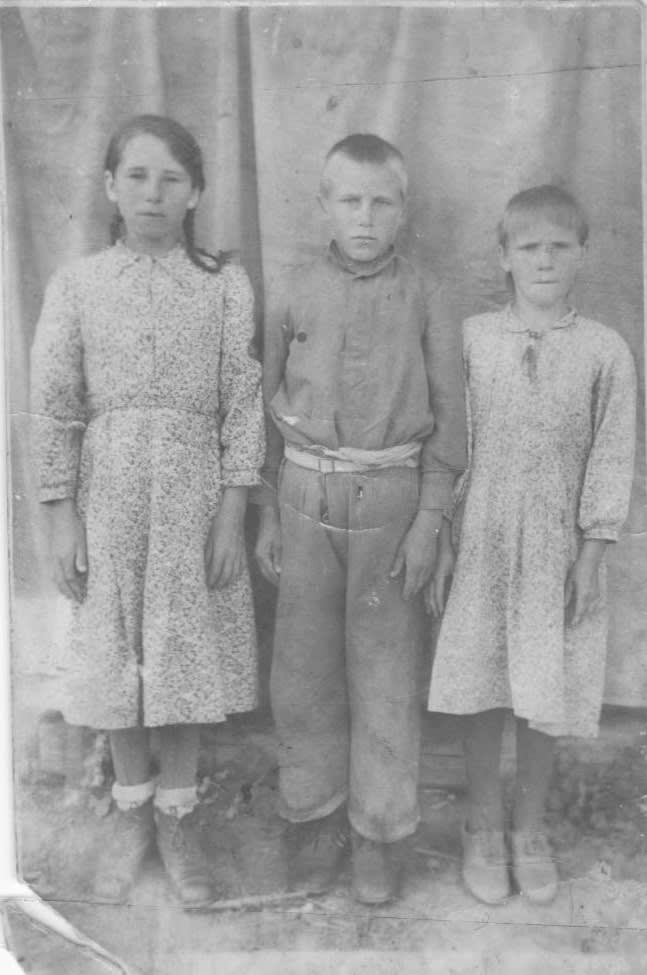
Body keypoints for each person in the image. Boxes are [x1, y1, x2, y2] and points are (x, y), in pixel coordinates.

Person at [30, 114, 265, 909]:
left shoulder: (223, 284)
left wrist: (231, 514)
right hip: (109, 495)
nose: (153, 194)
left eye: (171, 179)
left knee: (183, 653)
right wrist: (62, 517)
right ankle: (130, 810)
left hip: (195, 496)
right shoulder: (78, 286)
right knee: (118, 649)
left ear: (195, 192)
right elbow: (55, 406)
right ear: (109, 186)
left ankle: (179, 815)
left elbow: (241, 402)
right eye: (136, 176)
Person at [255, 133, 466, 904]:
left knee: (384, 673)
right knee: (303, 674)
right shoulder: (293, 287)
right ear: (324, 205)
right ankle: (314, 820)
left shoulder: (427, 292)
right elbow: (262, 405)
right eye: (350, 200)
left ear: (403, 208)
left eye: (381, 201)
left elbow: (449, 418)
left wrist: (430, 519)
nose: (365, 216)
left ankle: (379, 833)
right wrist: (268, 512)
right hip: (303, 496)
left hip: (391, 503)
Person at [427, 185, 636, 906]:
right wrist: (443, 535)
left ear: (582, 254)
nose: (543, 260)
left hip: (557, 547)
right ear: (503, 257)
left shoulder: (604, 349)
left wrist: (592, 550)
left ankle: (529, 827)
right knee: (483, 682)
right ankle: (482, 825)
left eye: (559, 246)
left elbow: (612, 453)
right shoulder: (471, 340)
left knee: (544, 688)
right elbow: (446, 444)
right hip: (482, 536)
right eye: (528, 247)